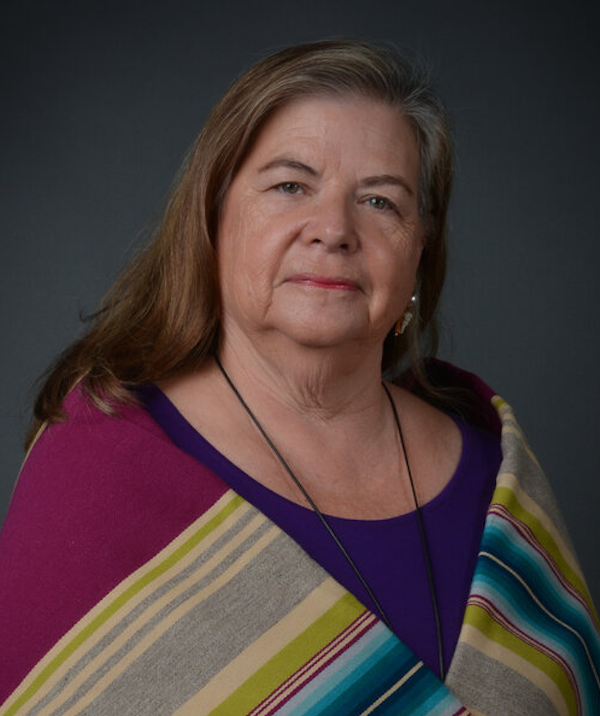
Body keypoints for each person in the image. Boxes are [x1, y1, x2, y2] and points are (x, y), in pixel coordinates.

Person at [0, 39, 598, 716]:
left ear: (419, 249)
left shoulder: (501, 482)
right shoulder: (97, 471)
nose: (334, 230)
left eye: (380, 202)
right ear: (214, 217)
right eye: (290, 186)